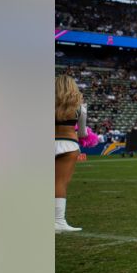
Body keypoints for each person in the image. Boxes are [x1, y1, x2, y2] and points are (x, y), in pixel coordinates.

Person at [55, 75, 85, 232]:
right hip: (68, 145)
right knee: (60, 183)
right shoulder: (79, 108)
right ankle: (58, 221)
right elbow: (82, 132)